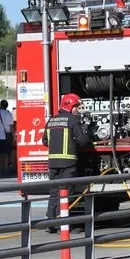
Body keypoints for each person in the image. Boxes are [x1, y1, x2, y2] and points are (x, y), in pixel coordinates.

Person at [42, 93, 91, 233]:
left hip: (53, 163)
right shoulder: (73, 120)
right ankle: (61, 223)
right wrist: (87, 137)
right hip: (68, 164)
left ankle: (50, 223)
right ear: (69, 105)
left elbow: (44, 141)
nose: (78, 109)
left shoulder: (51, 120)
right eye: (76, 106)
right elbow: (82, 141)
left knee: (53, 193)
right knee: (65, 193)